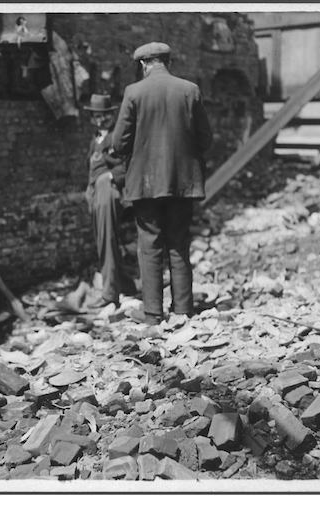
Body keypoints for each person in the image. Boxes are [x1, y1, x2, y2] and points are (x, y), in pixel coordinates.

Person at [111, 42, 213, 325]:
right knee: (179, 245)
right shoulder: (190, 90)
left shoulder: (134, 92)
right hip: (182, 184)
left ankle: (153, 314)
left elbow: (119, 143)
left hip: (145, 185)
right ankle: (183, 311)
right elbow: (206, 140)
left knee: (150, 246)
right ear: (168, 62)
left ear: (144, 64)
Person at [83, 93, 136, 308]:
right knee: (103, 241)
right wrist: (89, 189)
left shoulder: (117, 136)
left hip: (109, 190)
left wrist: (111, 177)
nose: (99, 120)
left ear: (111, 116)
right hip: (96, 192)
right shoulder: (94, 139)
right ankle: (126, 286)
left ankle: (109, 294)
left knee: (107, 240)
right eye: (96, 116)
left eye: (104, 116)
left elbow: (130, 163)